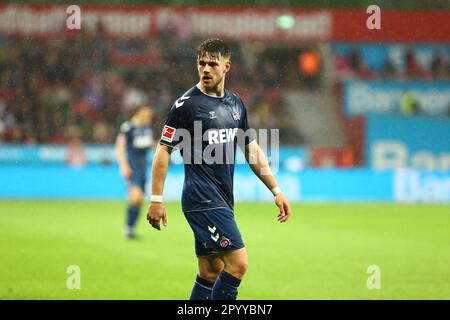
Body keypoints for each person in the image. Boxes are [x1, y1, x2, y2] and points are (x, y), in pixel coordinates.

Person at [147, 39, 292, 300]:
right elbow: (163, 150)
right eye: (201, 63)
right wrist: (156, 198)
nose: (205, 69)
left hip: (223, 198)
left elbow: (250, 149)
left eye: (212, 64)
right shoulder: (186, 106)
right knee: (238, 264)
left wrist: (276, 189)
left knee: (210, 271)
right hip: (202, 198)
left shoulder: (235, 104)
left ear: (227, 66)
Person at [115, 105, 155, 239]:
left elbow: (147, 144)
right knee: (136, 196)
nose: (149, 117)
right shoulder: (128, 127)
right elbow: (120, 147)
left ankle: (130, 229)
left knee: (139, 200)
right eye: (147, 114)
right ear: (139, 113)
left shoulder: (148, 128)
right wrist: (123, 165)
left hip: (143, 168)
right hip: (132, 167)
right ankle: (128, 228)